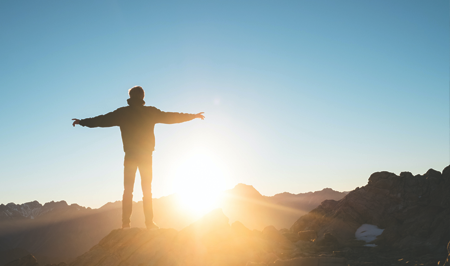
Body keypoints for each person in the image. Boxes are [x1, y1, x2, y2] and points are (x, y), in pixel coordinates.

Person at [72, 86, 205, 230]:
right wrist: (193, 116)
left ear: (130, 96)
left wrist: (82, 122)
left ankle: (125, 224)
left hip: (130, 155)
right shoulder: (150, 112)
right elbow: (172, 117)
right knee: (147, 189)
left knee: (128, 190)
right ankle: (149, 223)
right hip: (146, 155)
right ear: (142, 97)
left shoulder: (123, 113)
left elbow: (101, 120)